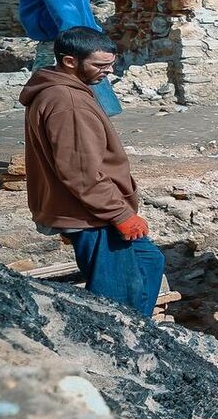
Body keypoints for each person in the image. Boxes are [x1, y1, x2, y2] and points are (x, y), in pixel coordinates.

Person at [19, 25, 165, 317]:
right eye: (100, 65)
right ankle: (122, 348)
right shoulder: (68, 101)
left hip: (93, 210)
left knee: (149, 261)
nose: (108, 71)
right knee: (118, 298)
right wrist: (120, 214)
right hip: (92, 215)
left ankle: (143, 333)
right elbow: (80, 172)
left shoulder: (69, 90)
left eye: (111, 64)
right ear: (70, 61)